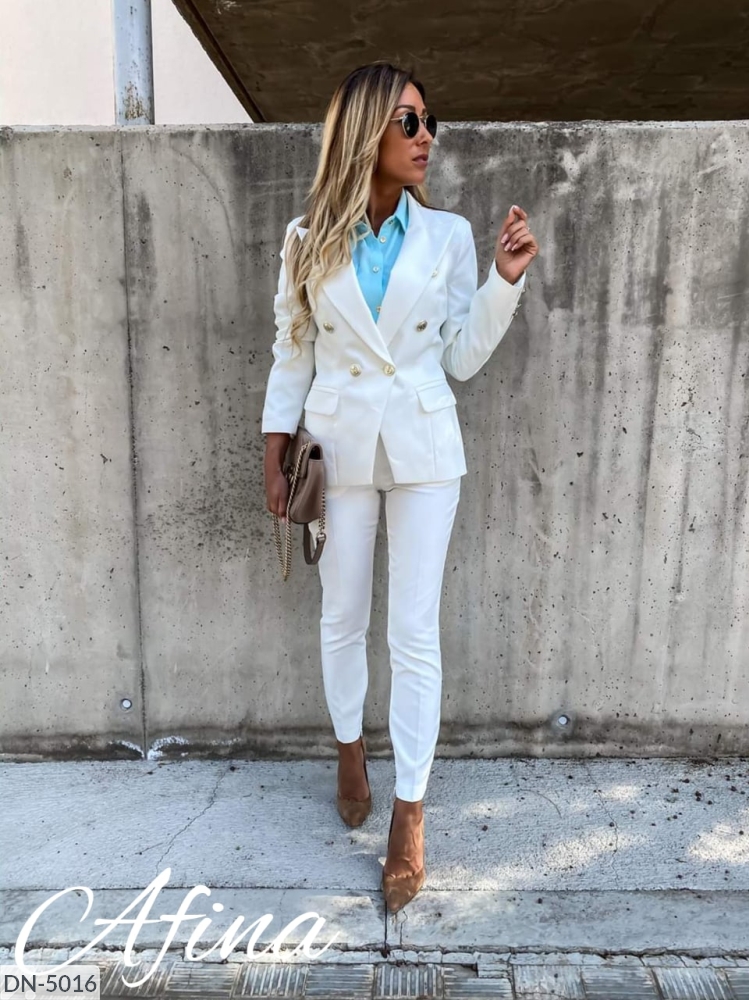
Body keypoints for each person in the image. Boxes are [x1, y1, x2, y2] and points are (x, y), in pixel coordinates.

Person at [262, 61, 539, 913]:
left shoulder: (447, 235)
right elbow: (292, 350)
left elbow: (459, 357)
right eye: (408, 123)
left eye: (429, 121)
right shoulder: (306, 238)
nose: (426, 138)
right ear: (364, 132)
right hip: (338, 448)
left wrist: (502, 282)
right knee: (341, 617)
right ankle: (349, 748)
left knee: (413, 633)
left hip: (423, 449)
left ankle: (409, 811)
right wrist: (274, 452)